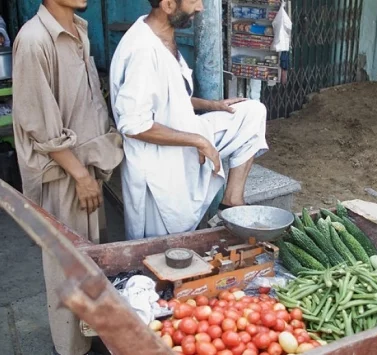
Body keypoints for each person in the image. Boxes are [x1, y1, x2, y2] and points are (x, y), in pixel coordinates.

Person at [12, 0, 124, 354]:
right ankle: (71, 348)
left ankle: (93, 336)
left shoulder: (79, 30)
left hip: (88, 166)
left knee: (92, 260)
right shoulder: (33, 40)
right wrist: (79, 175)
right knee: (66, 264)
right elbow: (38, 125)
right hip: (64, 174)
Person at [109, 0, 268, 240]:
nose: (201, 7)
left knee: (251, 113)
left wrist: (212, 105)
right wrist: (199, 141)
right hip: (157, 160)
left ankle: (231, 203)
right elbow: (133, 124)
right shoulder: (142, 50)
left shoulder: (165, 35)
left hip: (186, 132)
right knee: (163, 249)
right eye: (194, 1)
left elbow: (171, 95)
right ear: (168, 5)